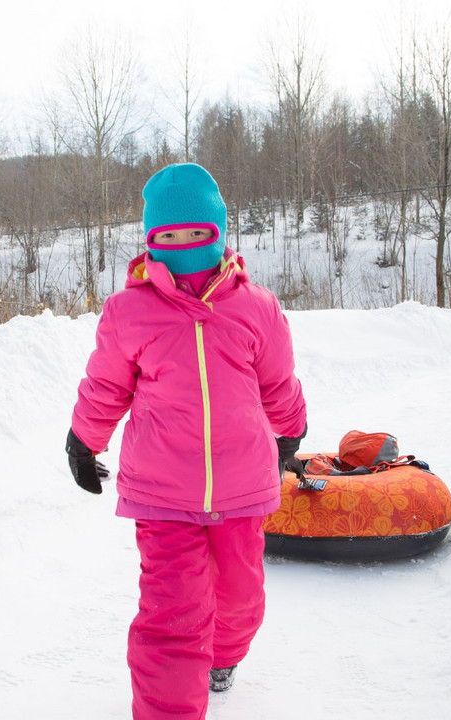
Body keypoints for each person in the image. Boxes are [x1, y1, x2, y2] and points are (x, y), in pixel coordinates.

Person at [66, 162, 308, 719]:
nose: (181, 244)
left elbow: (277, 381)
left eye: (195, 233)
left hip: (242, 487)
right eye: (166, 237)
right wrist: (84, 440)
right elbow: (106, 385)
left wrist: (290, 430)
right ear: (150, 241)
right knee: (171, 616)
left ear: (218, 233)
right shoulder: (129, 310)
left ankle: (223, 656)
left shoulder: (256, 307)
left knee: (241, 601)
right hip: (162, 494)